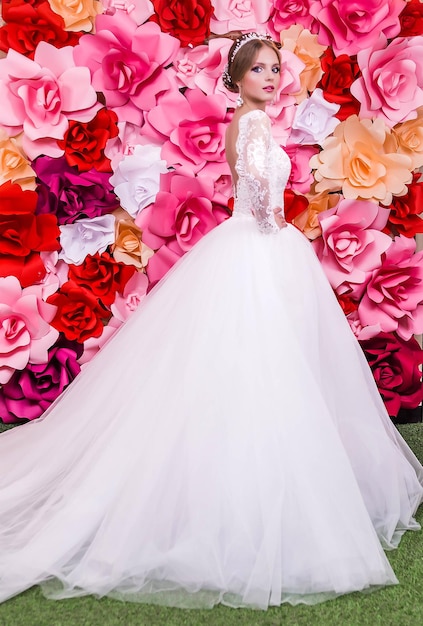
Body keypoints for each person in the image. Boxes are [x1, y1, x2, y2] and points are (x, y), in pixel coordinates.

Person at [0, 33, 422, 610]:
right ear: (238, 78)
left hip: (253, 244)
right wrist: (282, 226)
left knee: (250, 365)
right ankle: (256, 493)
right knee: (264, 363)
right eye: (259, 71)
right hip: (261, 245)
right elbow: (259, 194)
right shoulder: (250, 127)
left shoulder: (248, 123)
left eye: (275, 69)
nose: (271, 78)